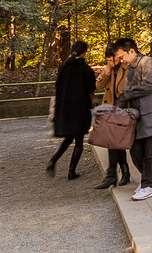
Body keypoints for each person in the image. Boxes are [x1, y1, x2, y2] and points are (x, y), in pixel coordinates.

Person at [114, 38, 152, 201]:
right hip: (140, 117)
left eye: (122, 56)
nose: (121, 60)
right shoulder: (131, 67)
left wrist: (129, 92)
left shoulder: (147, 62)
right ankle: (150, 176)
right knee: (136, 150)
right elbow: (126, 93)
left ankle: (149, 186)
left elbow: (150, 84)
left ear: (131, 51)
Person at [47, 41, 96, 180]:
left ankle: (53, 160)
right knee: (79, 141)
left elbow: (58, 85)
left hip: (65, 108)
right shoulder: (86, 69)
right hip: (80, 108)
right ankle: (71, 171)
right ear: (84, 52)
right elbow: (91, 88)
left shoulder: (63, 66)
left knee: (68, 137)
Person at [94, 44, 130, 188]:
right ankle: (120, 172)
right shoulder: (109, 69)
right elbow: (98, 85)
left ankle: (113, 175)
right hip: (110, 110)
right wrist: (108, 69)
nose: (113, 62)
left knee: (114, 143)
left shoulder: (127, 68)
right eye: (109, 60)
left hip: (122, 110)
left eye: (114, 59)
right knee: (113, 143)